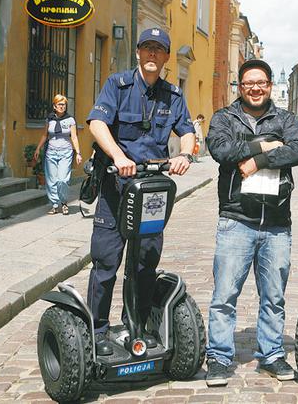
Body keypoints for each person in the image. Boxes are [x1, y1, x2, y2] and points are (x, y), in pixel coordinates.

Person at [85, 27, 196, 356]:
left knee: (145, 262)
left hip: (151, 191)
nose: (152, 55)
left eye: (158, 50)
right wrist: (119, 156)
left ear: (165, 57)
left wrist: (184, 155)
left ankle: (136, 325)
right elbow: (97, 123)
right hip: (116, 187)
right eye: (147, 48)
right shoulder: (117, 86)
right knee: (106, 262)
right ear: (138, 53)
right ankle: (97, 331)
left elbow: (187, 131)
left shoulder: (173, 95)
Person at [204, 59, 298, 386]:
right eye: (249, 82)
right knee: (224, 296)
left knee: (274, 296)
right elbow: (221, 149)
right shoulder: (225, 118)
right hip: (236, 218)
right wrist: (268, 144)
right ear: (240, 86)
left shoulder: (285, 118)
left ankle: (272, 354)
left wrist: (259, 160)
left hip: (277, 221)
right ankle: (220, 357)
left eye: (261, 82)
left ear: (268, 84)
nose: (256, 87)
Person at [34, 94, 82, 215]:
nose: (62, 106)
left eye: (64, 104)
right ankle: (55, 204)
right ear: (54, 106)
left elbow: (74, 137)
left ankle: (64, 202)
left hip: (66, 152)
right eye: (60, 104)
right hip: (51, 152)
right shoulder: (49, 119)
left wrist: (78, 153)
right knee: (51, 180)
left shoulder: (70, 120)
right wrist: (38, 148)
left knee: (63, 180)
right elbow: (45, 135)